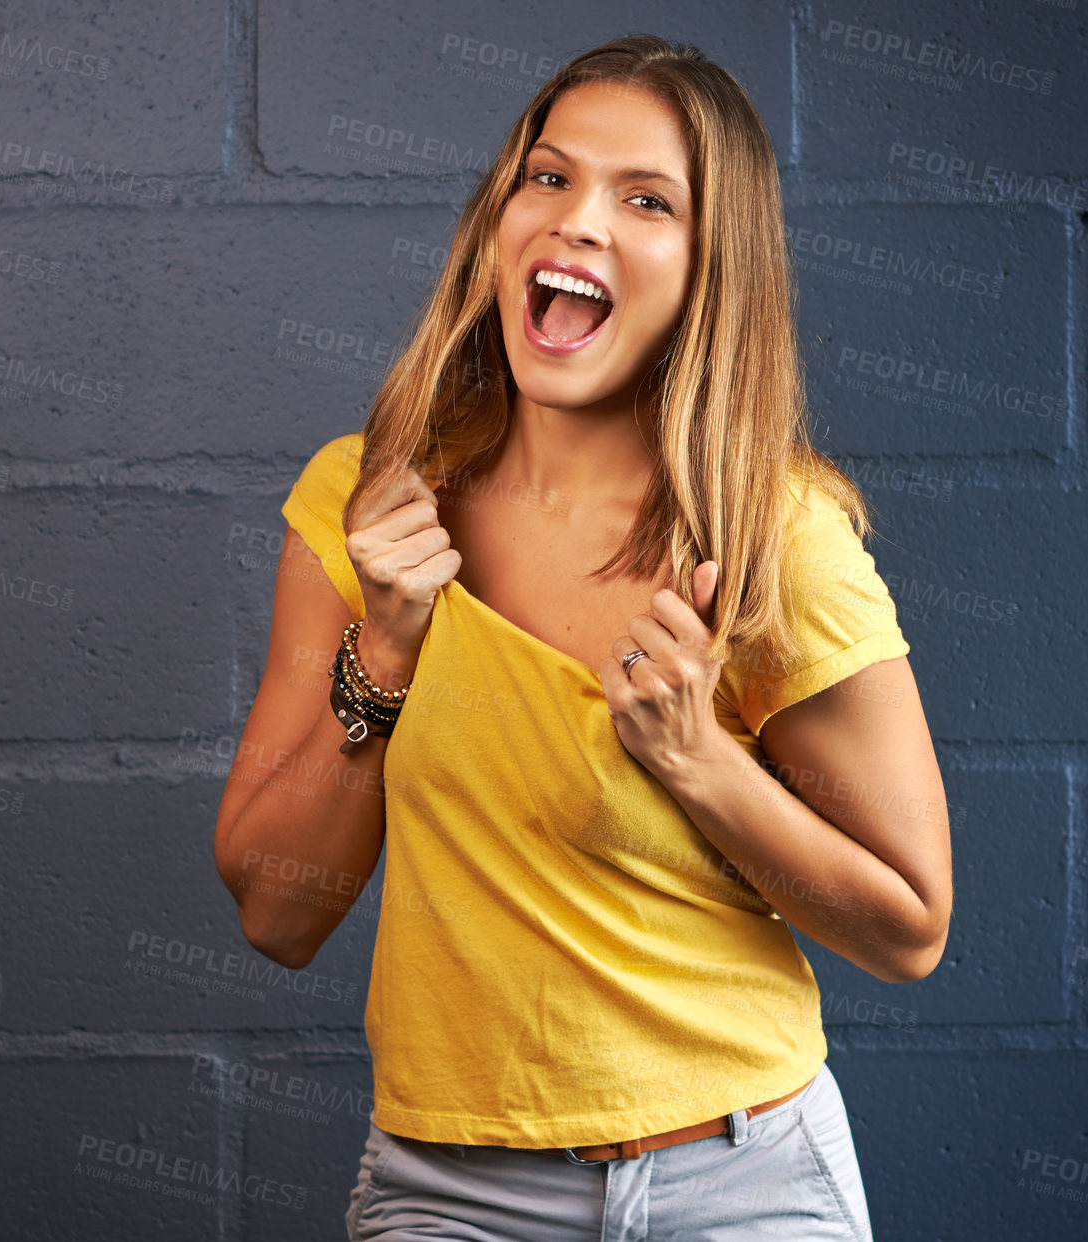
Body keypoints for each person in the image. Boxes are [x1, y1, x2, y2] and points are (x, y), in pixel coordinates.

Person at [212, 33, 951, 1242]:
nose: (579, 222)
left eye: (645, 199)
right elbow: (275, 914)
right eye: (547, 178)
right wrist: (385, 654)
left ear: (712, 270)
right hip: (451, 1194)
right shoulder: (364, 503)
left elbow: (909, 928)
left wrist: (699, 762)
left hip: (743, 1183)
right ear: (496, 224)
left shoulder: (771, 532)